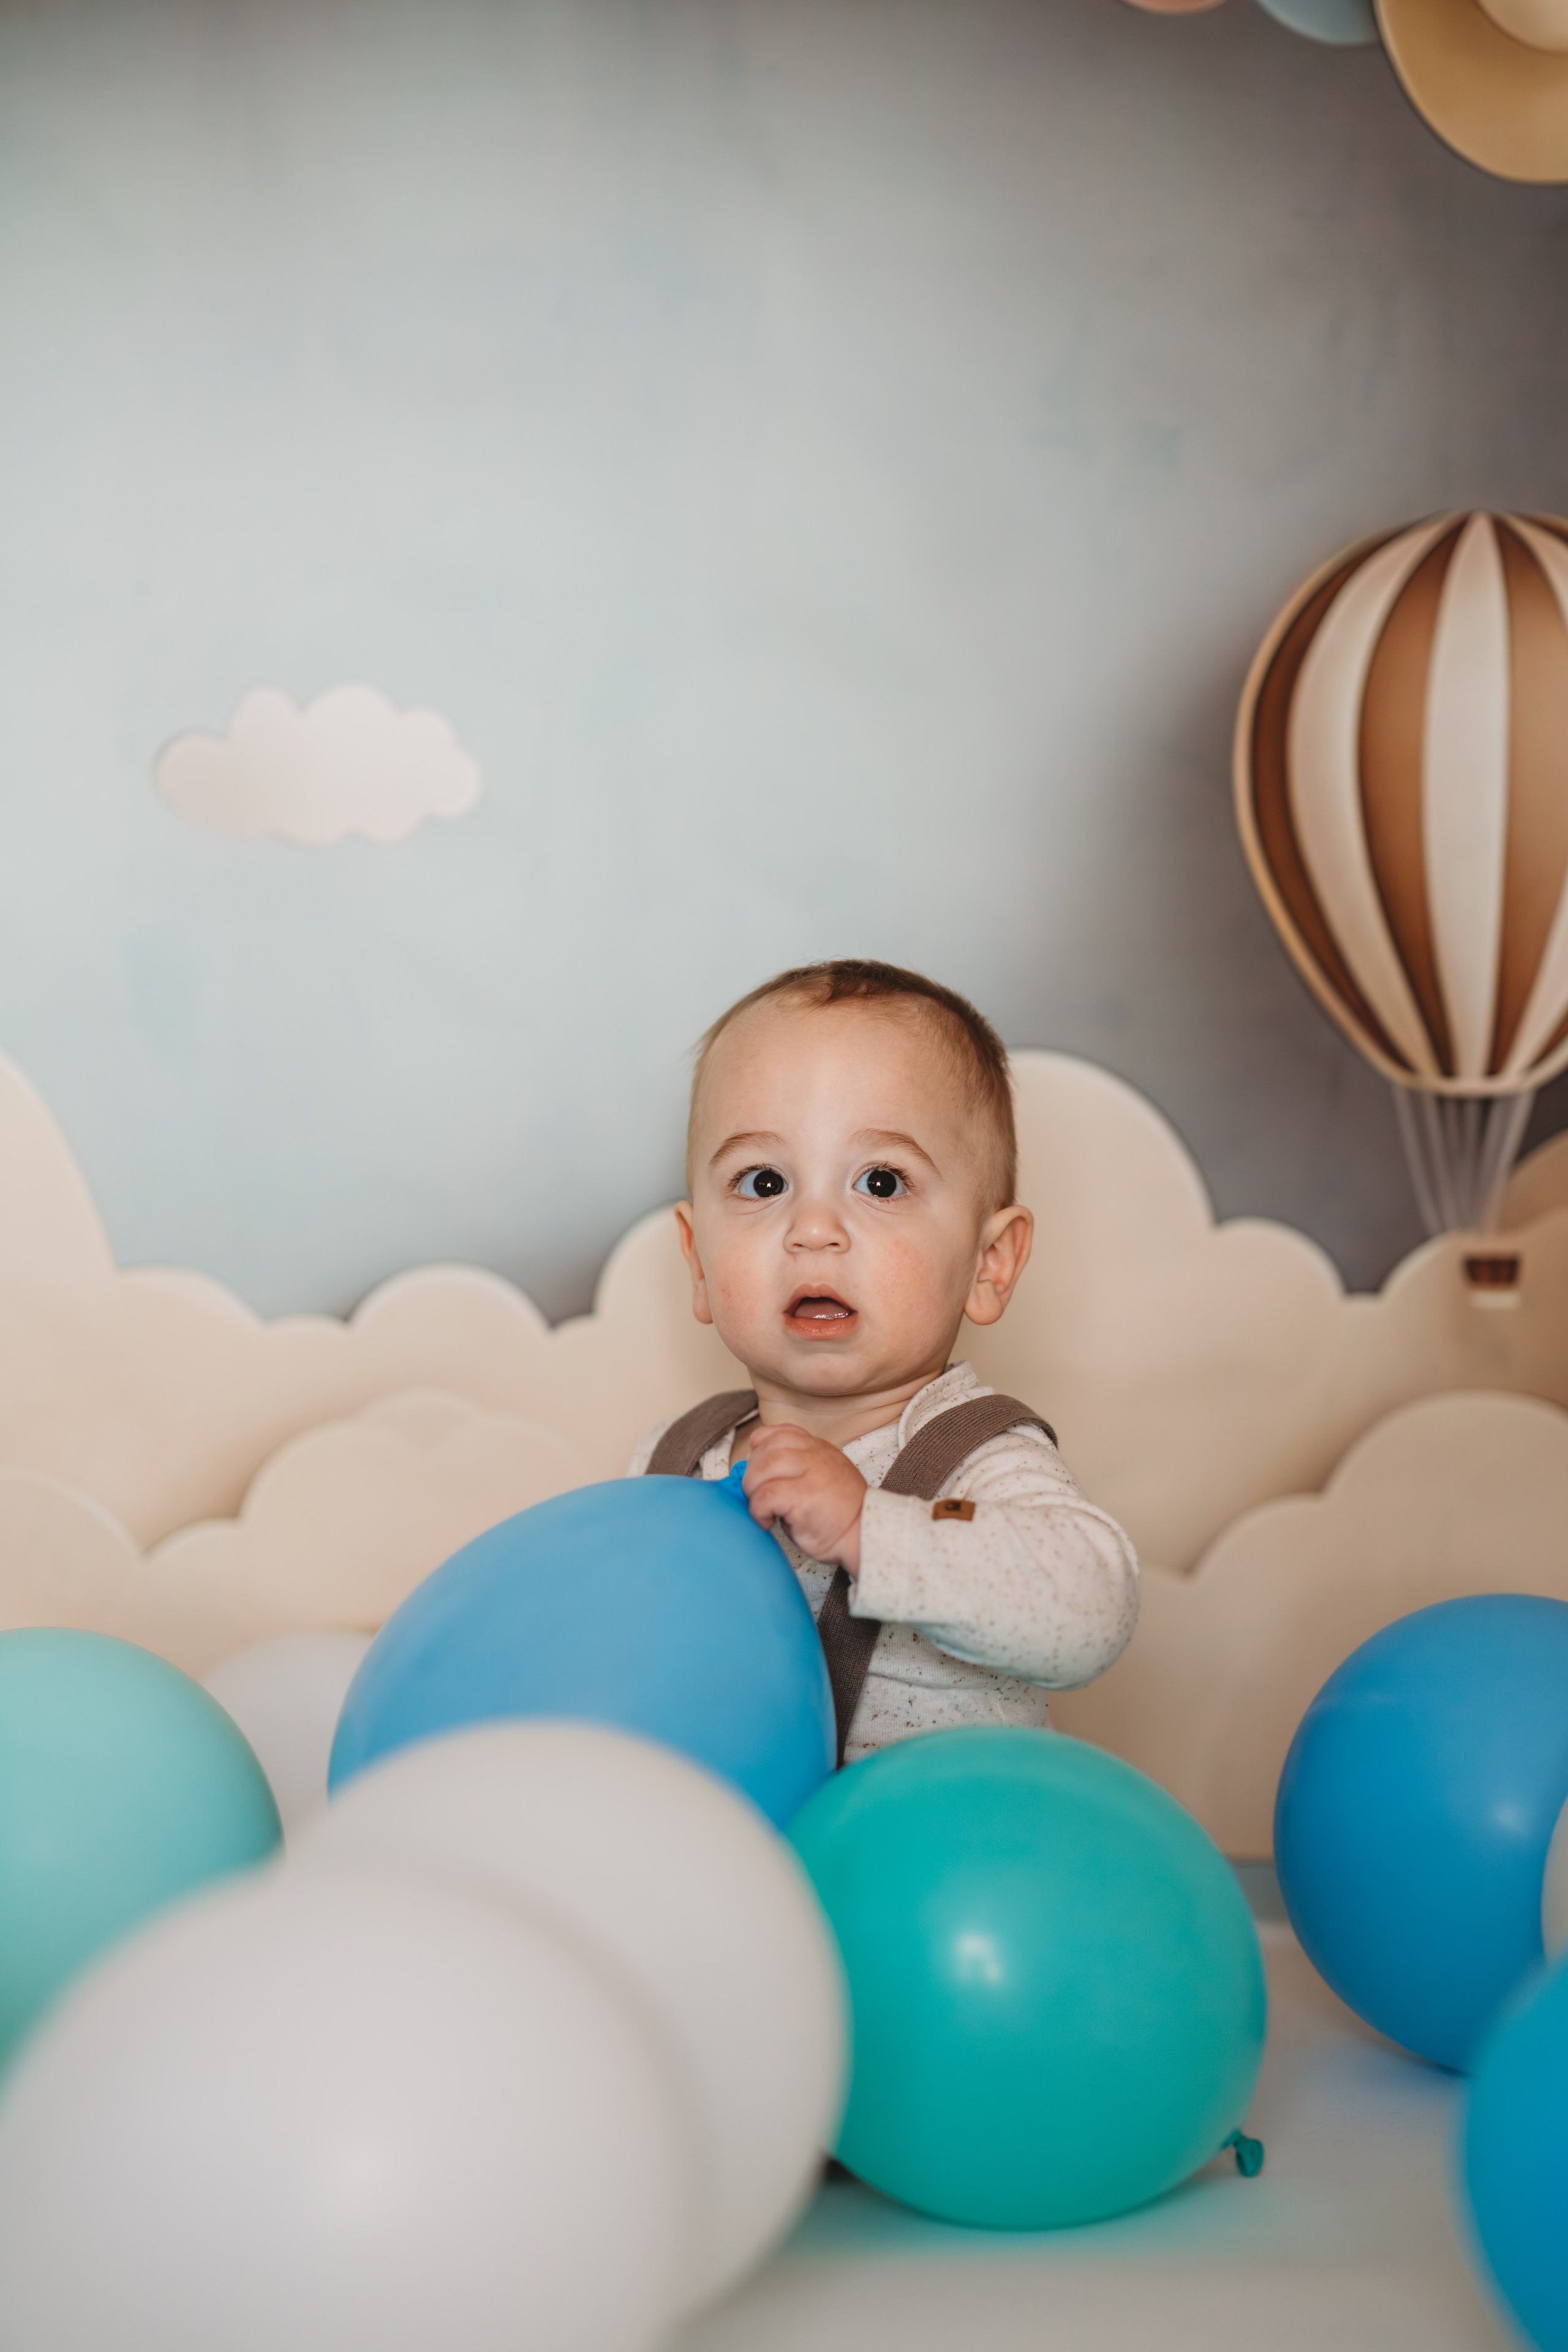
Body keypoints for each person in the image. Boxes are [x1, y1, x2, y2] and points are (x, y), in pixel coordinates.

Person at [630, 959, 1138, 1765]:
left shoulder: (977, 1458)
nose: (814, 1228)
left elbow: (1091, 1611)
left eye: (881, 1181)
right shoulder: (672, 1463)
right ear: (697, 1262)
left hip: (940, 1866)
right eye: (764, 1182)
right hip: (741, 1857)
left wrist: (873, 1529)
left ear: (989, 1263)